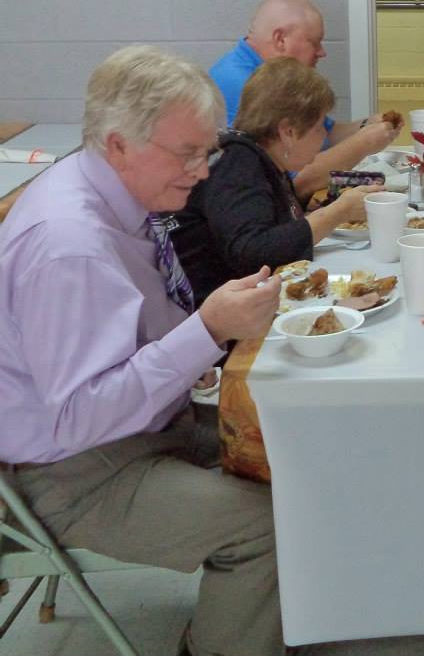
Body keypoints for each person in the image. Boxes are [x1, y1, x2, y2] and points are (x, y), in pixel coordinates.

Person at [0, 45, 286, 656]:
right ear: (118, 144)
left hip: (142, 426)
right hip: (73, 470)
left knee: (296, 445)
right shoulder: (71, 247)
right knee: (265, 524)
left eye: (206, 151)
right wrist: (206, 330)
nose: (204, 170)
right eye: (187, 154)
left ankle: (276, 622)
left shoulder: (115, 197)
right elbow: (77, 417)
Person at [170, 56, 382, 305]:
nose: (324, 135)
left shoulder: (261, 158)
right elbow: (253, 252)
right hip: (219, 322)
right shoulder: (237, 163)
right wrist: (339, 211)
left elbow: (269, 221)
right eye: (318, 127)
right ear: (288, 132)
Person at [210, 0, 402, 200]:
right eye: (315, 42)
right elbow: (295, 183)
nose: (322, 52)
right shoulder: (244, 84)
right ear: (280, 39)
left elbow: (326, 133)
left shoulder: (274, 74)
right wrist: (364, 143)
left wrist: (368, 125)